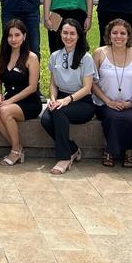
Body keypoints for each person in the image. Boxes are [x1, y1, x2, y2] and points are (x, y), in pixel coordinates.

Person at [40, 18, 95, 174]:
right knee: (45, 119)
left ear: (78, 36)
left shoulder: (86, 58)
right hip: (60, 98)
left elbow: (87, 88)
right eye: (65, 33)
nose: (68, 37)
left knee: (59, 111)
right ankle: (72, 148)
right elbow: (53, 83)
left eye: (72, 33)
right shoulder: (55, 56)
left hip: (81, 102)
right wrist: (52, 99)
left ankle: (64, 157)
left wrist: (66, 100)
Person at [91, 18, 132, 168]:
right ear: (109, 35)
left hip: (131, 104)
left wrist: (130, 103)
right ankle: (124, 150)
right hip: (104, 103)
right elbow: (92, 83)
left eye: (123, 33)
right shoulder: (99, 53)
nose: (118, 36)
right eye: (114, 33)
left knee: (129, 117)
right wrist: (108, 101)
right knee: (113, 116)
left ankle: (122, 150)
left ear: (129, 36)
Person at [0, 19, 41, 167]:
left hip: (29, 101)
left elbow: (32, 87)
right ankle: (18, 147)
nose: (13, 39)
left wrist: (9, 102)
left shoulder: (31, 57)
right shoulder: (2, 56)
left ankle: (14, 151)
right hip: (9, 99)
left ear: (24, 36)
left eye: (17, 35)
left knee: (4, 111)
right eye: (10, 36)